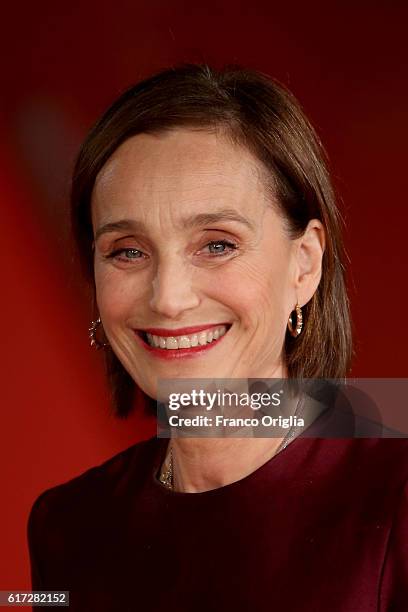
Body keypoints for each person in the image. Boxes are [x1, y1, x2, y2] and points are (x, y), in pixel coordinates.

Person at [27, 64, 408, 611]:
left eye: (218, 244)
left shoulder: (395, 500)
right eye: (128, 250)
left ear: (304, 264)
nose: (168, 298)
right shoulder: (66, 526)